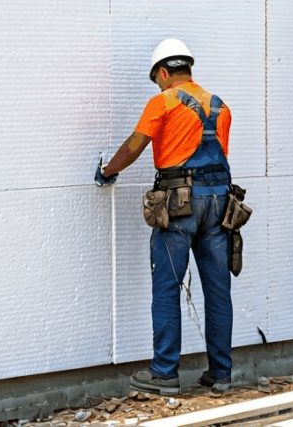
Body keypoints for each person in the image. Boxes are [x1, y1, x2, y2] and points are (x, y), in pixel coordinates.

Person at [95, 38, 234, 396]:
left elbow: (134, 145)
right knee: (218, 291)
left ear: (163, 72)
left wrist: (107, 172)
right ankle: (220, 374)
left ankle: (164, 374)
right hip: (219, 203)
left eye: (155, 77)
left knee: (167, 288)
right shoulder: (220, 107)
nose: (156, 83)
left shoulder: (163, 102)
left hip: (179, 205)